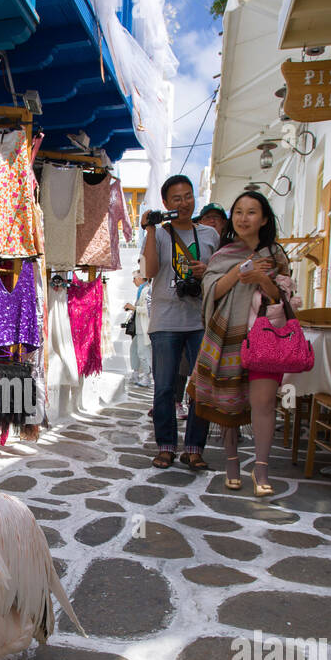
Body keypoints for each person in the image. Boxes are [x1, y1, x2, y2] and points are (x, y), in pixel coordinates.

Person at [189, 190, 294, 496]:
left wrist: (262, 281)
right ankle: (232, 463)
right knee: (230, 404)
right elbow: (213, 293)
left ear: (263, 219)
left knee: (263, 405)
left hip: (266, 339)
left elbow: (284, 299)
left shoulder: (275, 255)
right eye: (238, 212)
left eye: (251, 212)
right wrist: (238, 272)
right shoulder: (223, 256)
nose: (243, 218)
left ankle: (261, 470)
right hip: (228, 338)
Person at [141, 174, 219, 470]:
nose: (184, 202)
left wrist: (207, 270)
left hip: (199, 320)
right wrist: (150, 230)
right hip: (165, 320)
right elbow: (149, 270)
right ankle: (166, 446)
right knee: (164, 387)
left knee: (201, 387)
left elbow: (220, 275)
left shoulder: (209, 235)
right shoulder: (159, 234)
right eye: (177, 198)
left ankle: (194, 448)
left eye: (188, 196)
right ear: (165, 203)